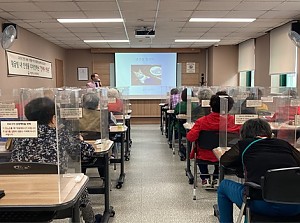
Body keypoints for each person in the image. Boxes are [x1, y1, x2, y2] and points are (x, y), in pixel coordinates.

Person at [10, 97, 102, 223]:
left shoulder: (18, 136)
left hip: (20, 191)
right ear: (53, 118)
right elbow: (88, 152)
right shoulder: (60, 135)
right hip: (56, 192)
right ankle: (91, 221)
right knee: (81, 186)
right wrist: (80, 140)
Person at [218, 118, 300, 223]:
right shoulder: (284, 144)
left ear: (244, 134)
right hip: (295, 205)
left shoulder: (244, 144)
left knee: (223, 186)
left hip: (262, 204)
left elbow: (224, 161)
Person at [186, 91, 240, 188]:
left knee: (199, 151)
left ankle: (204, 177)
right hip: (227, 155)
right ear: (229, 107)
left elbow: (190, 137)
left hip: (205, 154)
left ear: (211, 106)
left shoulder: (202, 121)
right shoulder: (235, 122)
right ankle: (217, 177)